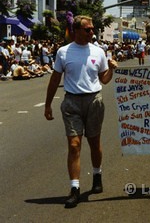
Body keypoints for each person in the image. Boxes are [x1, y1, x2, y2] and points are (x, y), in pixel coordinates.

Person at [44, 15, 118, 209]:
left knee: (94, 142)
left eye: (92, 29)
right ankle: (74, 189)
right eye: (88, 29)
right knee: (74, 145)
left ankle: (97, 175)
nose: (92, 32)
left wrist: (111, 70)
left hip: (94, 100)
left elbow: (104, 79)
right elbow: (54, 79)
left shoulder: (98, 51)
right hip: (72, 102)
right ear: (76, 30)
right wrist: (48, 104)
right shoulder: (63, 52)